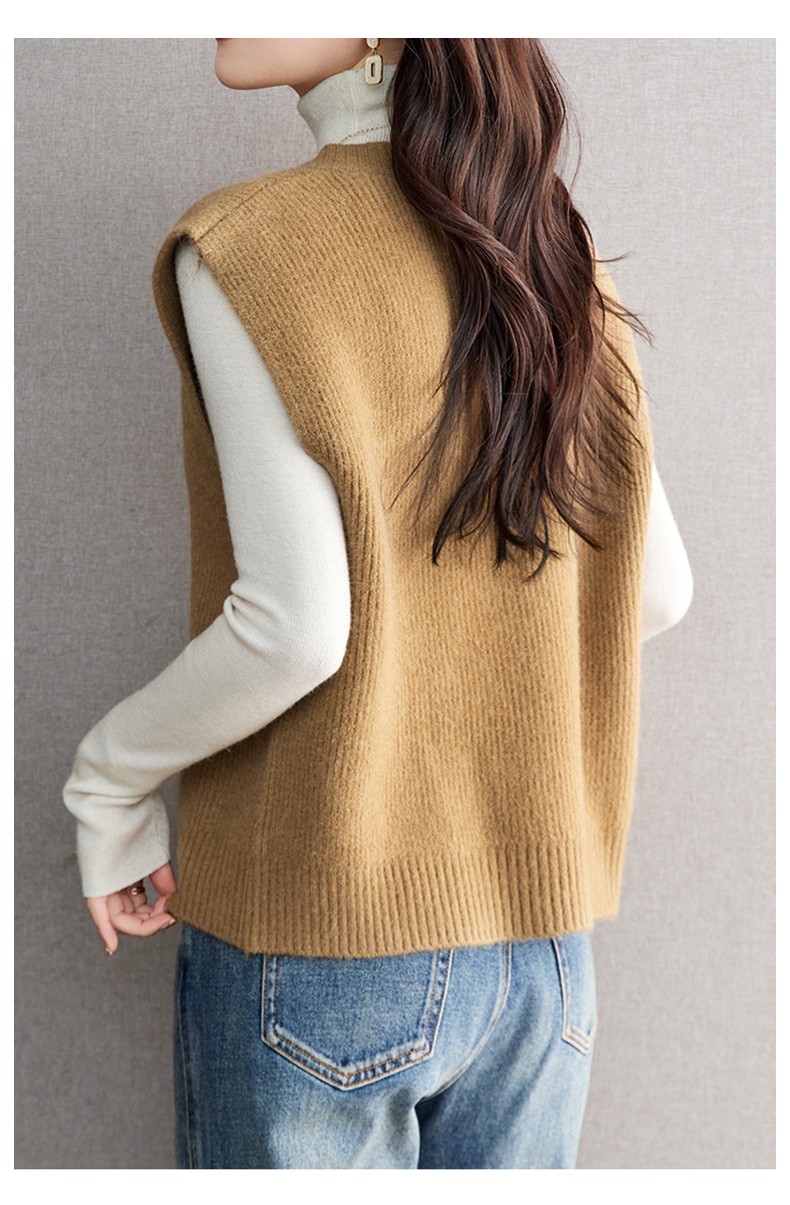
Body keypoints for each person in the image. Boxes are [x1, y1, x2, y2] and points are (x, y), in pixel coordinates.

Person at [62, 38, 693, 1170]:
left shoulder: (249, 247)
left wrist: (107, 777)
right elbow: (654, 591)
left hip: (325, 941)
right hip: (543, 959)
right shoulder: (554, 246)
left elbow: (294, 628)